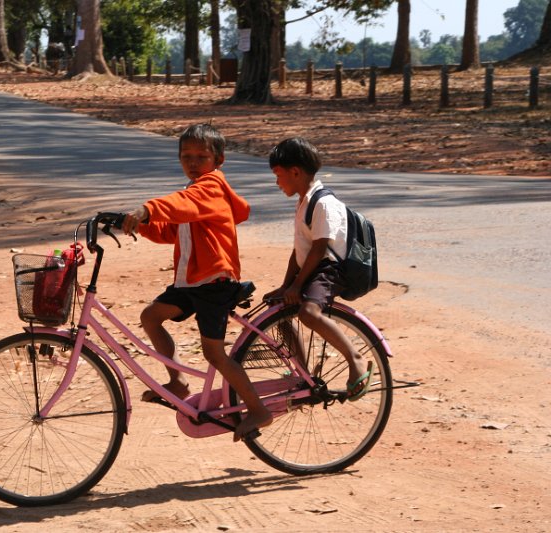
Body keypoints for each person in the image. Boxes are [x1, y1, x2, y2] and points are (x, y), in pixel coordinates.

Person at [121, 123, 272, 442]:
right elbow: (171, 230)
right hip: (191, 282)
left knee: (215, 355)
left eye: (201, 156)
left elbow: (176, 206)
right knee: (151, 316)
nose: (192, 162)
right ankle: (177, 381)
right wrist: (137, 223)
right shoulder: (196, 194)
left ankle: (258, 410)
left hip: (214, 282)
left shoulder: (211, 187)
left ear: (218, 160)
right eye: (186, 156)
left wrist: (146, 209)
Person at [264, 137, 372, 401]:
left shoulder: (323, 203)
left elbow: (319, 248)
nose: (277, 183)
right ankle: (301, 372)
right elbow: (298, 251)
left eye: (279, 175)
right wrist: (286, 286)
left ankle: (355, 358)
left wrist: (298, 286)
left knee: (309, 313)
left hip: (330, 269)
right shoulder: (303, 203)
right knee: (276, 307)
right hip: (314, 267)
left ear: (296, 172)